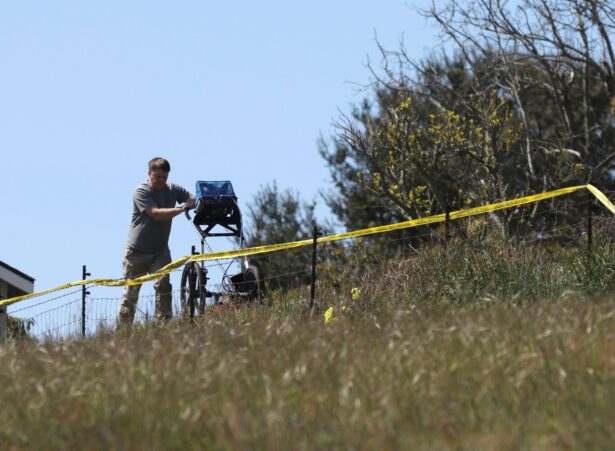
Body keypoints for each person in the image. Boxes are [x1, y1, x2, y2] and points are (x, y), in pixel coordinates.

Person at [118, 157, 196, 326]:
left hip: (160, 251)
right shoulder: (140, 191)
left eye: (164, 177)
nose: (160, 181)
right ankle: (123, 331)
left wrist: (191, 201)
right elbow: (156, 214)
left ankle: (164, 326)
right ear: (149, 174)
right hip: (136, 252)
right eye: (157, 177)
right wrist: (181, 208)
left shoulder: (172, 189)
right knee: (131, 294)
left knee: (163, 286)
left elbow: (191, 197)